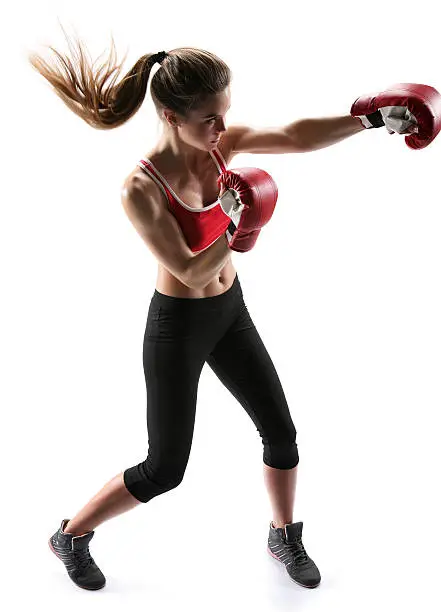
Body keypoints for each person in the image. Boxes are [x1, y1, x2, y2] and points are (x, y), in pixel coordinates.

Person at [29, 31, 366, 593]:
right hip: (178, 326)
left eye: (225, 113)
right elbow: (188, 270)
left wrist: (369, 120)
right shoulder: (140, 186)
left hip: (230, 312)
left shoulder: (219, 147)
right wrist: (235, 220)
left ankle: (283, 535)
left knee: (281, 434)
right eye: (211, 117)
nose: (222, 126)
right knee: (165, 469)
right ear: (169, 114)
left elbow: (295, 136)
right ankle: (71, 534)